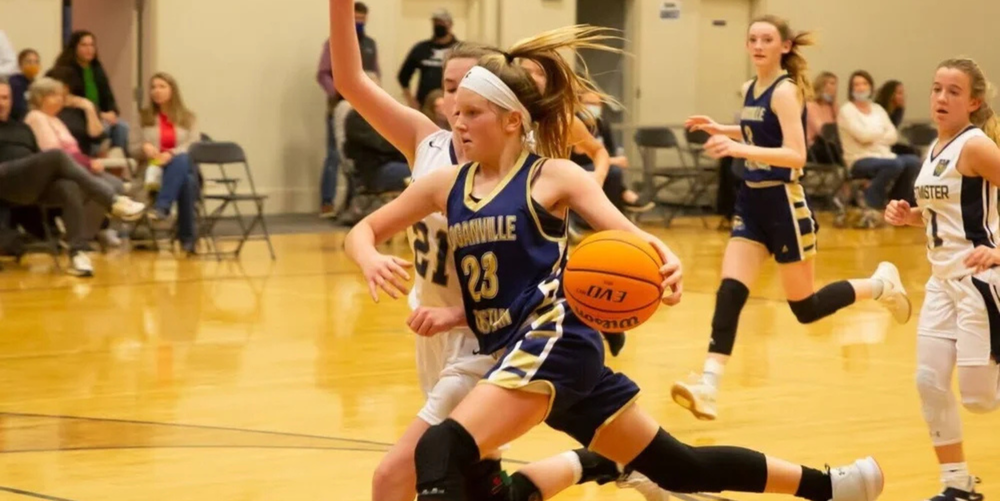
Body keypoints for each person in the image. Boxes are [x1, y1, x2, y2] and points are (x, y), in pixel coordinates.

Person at [344, 21, 885, 501]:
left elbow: (633, 237)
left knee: (441, 449)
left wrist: (666, 262)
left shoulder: (552, 176)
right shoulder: (445, 184)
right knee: (678, 467)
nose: (457, 124)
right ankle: (834, 487)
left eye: (472, 113)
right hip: (512, 347)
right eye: (454, 112)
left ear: (511, 121)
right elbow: (364, 230)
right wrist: (368, 256)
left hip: (553, 339)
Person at [328, 2, 667, 500]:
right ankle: (604, 460)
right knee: (480, 480)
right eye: (448, 92)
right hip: (431, 325)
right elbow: (351, 80)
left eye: (469, 94)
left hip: (483, 331)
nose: (455, 105)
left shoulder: (521, 165)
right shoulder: (427, 146)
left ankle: (622, 459)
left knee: (398, 478)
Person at [669, 16, 911, 421]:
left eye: (767, 39)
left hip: (784, 204)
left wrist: (736, 148)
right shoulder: (750, 89)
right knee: (730, 292)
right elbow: (756, 130)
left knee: (806, 308)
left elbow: (795, 153)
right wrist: (724, 128)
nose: (758, 45)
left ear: (783, 47)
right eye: (753, 39)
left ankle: (880, 284)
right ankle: (708, 385)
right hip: (752, 203)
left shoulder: (786, 91)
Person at [884, 57, 1000, 501]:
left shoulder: (976, 146)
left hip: (978, 281)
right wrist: (910, 216)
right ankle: (956, 483)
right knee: (928, 381)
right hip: (939, 284)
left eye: (953, 91)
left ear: (973, 102)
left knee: (978, 399)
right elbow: (945, 217)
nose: (941, 98)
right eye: (936, 89)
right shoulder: (933, 149)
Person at [0, 77, 144, 276]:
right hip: (4, 181)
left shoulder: (21, 128)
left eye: (5, 98)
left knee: (69, 186)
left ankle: (77, 253)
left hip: (28, 184)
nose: (2, 103)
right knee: (57, 155)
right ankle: (112, 201)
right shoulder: (33, 118)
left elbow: (35, 159)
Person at [318, 1, 380, 218]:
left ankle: (353, 203)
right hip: (340, 106)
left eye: (363, 19)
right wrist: (338, 90)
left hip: (363, 108)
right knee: (335, 155)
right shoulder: (334, 42)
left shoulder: (371, 44)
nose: (359, 22)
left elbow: (375, 72)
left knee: (358, 155)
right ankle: (327, 202)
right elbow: (323, 73)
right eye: (356, 18)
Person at [838, 70, 921, 228]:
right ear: (851, 88)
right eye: (856, 84)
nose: (861, 87)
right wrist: (879, 135)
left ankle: (898, 206)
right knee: (895, 165)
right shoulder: (847, 110)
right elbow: (862, 135)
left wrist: (874, 137)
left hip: (884, 155)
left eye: (864, 83)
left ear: (870, 86)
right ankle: (872, 205)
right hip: (859, 159)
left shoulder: (877, 109)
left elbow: (893, 135)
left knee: (913, 161)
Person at [131, 72, 201, 255]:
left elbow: (193, 145)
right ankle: (187, 239)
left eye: (162, 86)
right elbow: (131, 147)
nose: (157, 91)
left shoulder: (188, 118)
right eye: (153, 87)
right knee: (187, 181)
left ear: (172, 90)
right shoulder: (142, 117)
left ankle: (162, 207)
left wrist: (171, 154)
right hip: (151, 170)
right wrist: (144, 148)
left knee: (182, 161)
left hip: (178, 166)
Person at [52, 31, 130, 153]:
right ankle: (93, 160)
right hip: (80, 117)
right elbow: (70, 100)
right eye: (84, 45)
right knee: (105, 129)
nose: (89, 49)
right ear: (74, 47)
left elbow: (107, 96)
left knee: (122, 127)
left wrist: (112, 112)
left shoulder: (97, 68)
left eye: (92, 45)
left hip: (101, 115)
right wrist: (101, 115)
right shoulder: (64, 70)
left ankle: (117, 165)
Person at [397, 9, 460, 110]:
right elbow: (403, 76)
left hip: (453, 106)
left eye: (442, 22)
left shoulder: (460, 49)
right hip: (425, 107)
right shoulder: (421, 48)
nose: (438, 25)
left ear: (450, 24)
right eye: (436, 22)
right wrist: (411, 101)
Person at [9, 49, 40, 121]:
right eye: (29, 62)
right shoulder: (15, 83)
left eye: (36, 62)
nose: (33, 65)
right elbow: (18, 108)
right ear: (20, 65)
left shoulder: (36, 84)